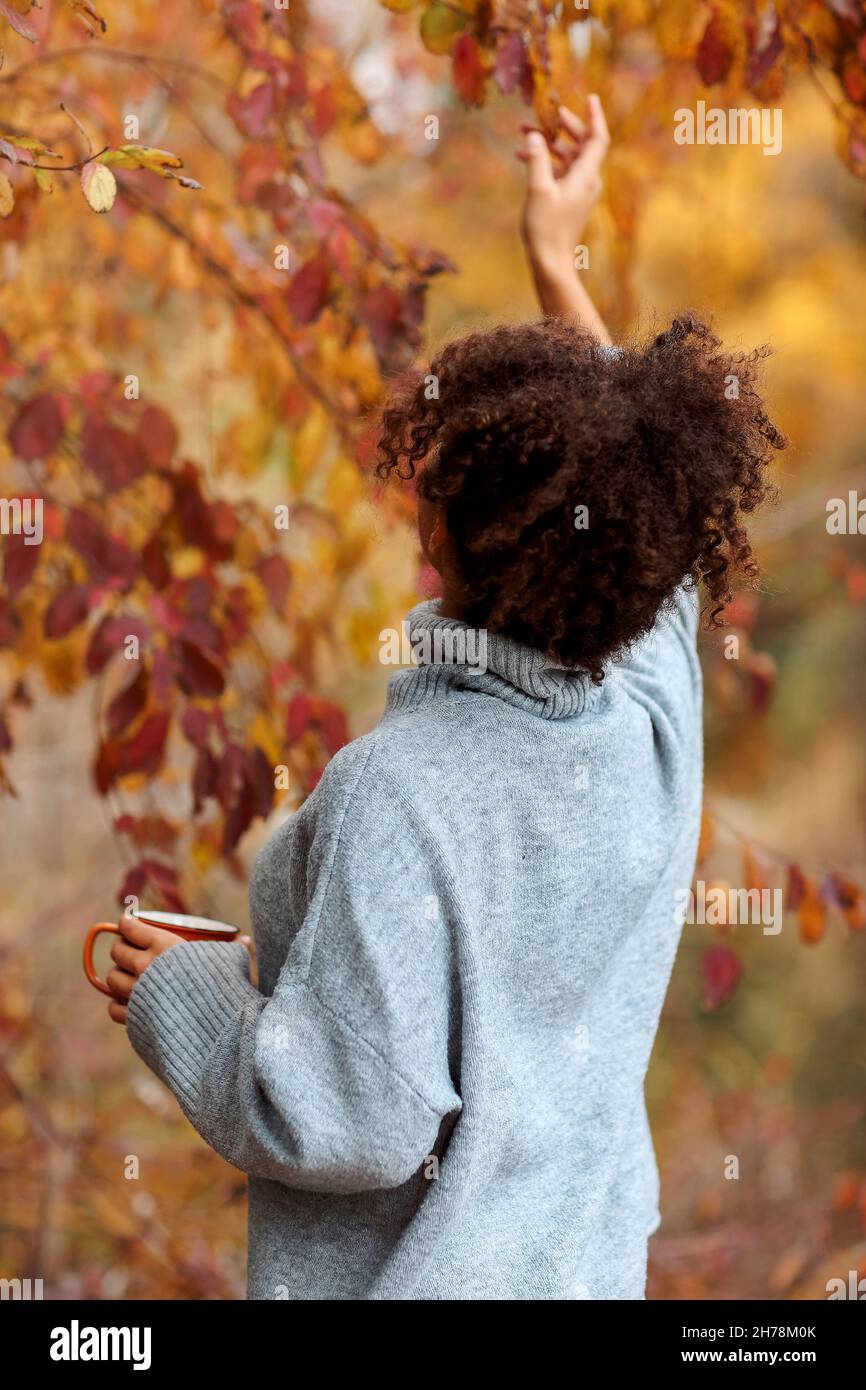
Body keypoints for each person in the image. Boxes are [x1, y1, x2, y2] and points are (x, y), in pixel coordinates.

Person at [103, 97, 785, 1299]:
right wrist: (552, 256)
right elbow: (645, 507)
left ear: (437, 539)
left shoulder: (397, 792)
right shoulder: (646, 724)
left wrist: (187, 1000)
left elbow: (352, 1119)